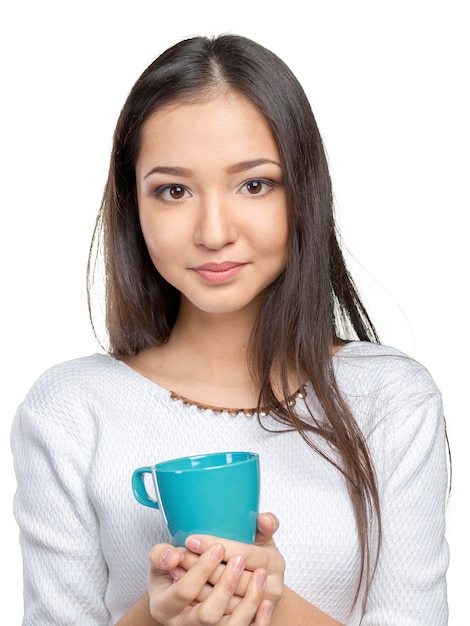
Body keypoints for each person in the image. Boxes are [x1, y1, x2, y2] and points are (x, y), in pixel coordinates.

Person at [11, 34, 449, 626]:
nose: (213, 231)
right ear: (132, 205)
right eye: (173, 190)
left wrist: (272, 601)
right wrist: (155, 615)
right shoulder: (69, 412)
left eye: (254, 184)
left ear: (303, 194)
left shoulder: (389, 400)